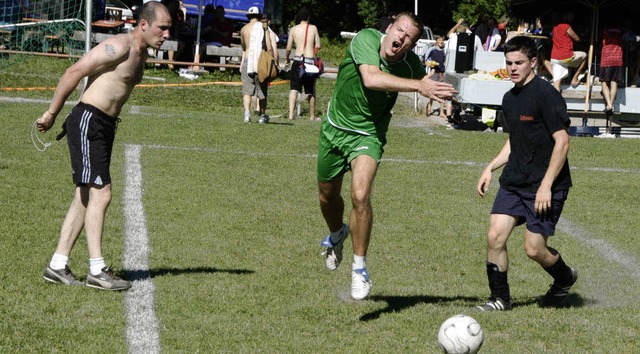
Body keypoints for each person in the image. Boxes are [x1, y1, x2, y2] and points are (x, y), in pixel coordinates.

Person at [317, 12, 457, 300]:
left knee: (360, 196)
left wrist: (443, 93)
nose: (401, 38)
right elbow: (370, 78)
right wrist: (420, 86)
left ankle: (359, 270)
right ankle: (336, 235)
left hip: (369, 136)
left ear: (412, 45)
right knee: (327, 196)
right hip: (335, 129)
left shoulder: (410, 65)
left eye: (409, 38)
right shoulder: (366, 39)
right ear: (390, 27)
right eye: (400, 31)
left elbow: (426, 82)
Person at [36, 2, 171, 291]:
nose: (167, 34)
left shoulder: (142, 53)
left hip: (104, 125)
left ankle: (57, 265)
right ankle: (97, 270)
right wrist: (51, 112)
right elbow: (75, 71)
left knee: (85, 196)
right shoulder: (118, 46)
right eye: (163, 27)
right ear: (144, 25)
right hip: (89, 121)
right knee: (102, 192)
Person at [475, 36, 577, 311]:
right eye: (508, 63)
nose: (513, 68)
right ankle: (499, 299)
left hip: (546, 186)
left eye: (519, 62)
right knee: (495, 236)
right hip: (514, 182)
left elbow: (563, 141)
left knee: (534, 249)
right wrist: (490, 167)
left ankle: (565, 278)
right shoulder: (509, 98)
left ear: (533, 62)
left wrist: (546, 186)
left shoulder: (546, 95)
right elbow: (515, 140)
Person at [285, 7, 321, 121]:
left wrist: (286, 59)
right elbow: (318, 45)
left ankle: (291, 114)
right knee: (310, 90)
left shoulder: (293, 29)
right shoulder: (313, 28)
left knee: (294, 89)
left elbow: (289, 48)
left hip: (297, 60)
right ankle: (312, 116)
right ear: (308, 18)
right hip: (310, 61)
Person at [239, 6, 269, 123]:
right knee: (262, 90)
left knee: (247, 90)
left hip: (247, 60)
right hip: (259, 60)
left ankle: (247, 114)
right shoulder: (263, 28)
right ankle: (262, 115)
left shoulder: (244, 29)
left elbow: (243, 47)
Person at [550, 11, 586, 91]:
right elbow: (576, 38)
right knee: (585, 55)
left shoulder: (554, 27)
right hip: (566, 56)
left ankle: (556, 102)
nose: (571, 18)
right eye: (570, 16)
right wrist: (582, 40)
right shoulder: (566, 26)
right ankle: (574, 78)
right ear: (565, 17)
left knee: (556, 84)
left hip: (555, 58)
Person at [599, 23, 624, 118]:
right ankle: (611, 105)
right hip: (618, 59)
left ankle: (609, 104)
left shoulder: (604, 31)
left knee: (604, 82)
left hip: (606, 60)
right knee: (614, 83)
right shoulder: (620, 31)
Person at [423, 35, 448, 118]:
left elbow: (445, 61)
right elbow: (424, 60)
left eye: (442, 40)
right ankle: (429, 108)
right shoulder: (432, 50)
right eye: (439, 40)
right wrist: (429, 64)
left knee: (443, 93)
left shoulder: (445, 50)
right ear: (436, 41)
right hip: (434, 73)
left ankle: (441, 112)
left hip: (442, 73)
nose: (441, 42)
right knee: (432, 92)